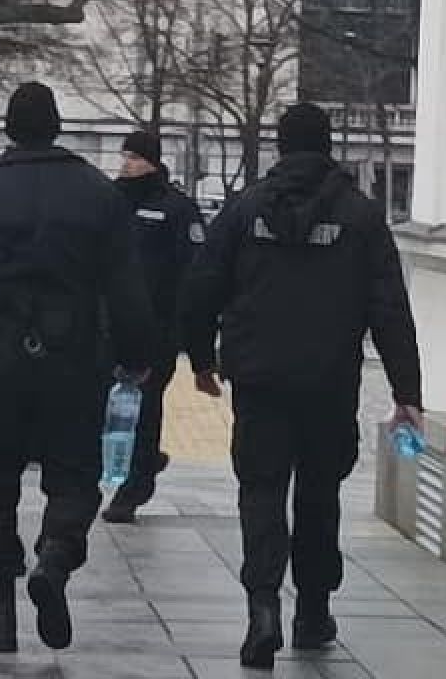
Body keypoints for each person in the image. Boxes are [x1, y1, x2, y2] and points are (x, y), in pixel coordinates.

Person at [0, 82, 154, 655]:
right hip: (75, 357)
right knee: (73, 476)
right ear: (57, 125)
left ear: (11, 129)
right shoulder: (97, 193)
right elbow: (127, 287)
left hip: (0, 355)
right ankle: (56, 558)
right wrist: (138, 357)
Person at [179, 102, 425, 670]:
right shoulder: (362, 219)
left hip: (259, 382)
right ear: (330, 145)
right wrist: (406, 392)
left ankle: (262, 606)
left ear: (280, 147)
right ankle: (312, 610)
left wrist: (199, 358)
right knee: (318, 495)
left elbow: (202, 286)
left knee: (260, 491)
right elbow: (390, 309)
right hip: (329, 383)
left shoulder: (245, 211)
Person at [100, 131, 205, 525]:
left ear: (153, 162)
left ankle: (134, 486)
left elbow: (193, 272)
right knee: (100, 405)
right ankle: (141, 461)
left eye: (134, 156)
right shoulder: (108, 202)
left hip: (153, 328)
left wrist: (185, 333)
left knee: (142, 408)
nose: (126, 163)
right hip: (105, 325)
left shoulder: (175, 208)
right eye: (123, 155)